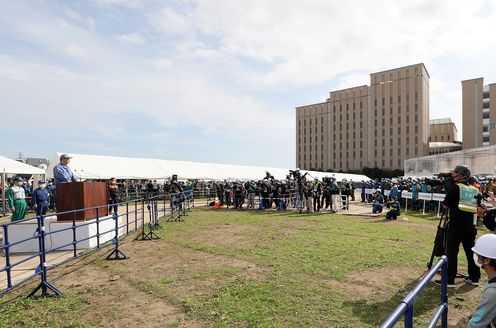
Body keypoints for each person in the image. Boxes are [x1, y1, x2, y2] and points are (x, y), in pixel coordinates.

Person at [439, 165, 481, 288]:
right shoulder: (475, 189)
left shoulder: (455, 187)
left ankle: (450, 280)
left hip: (456, 225)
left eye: (454, 173)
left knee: (451, 252)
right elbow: (478, 207)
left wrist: (449, 191)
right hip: (471, 226)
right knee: (470, 252)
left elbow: (445, 206)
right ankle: (474, 277)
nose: (452, 175)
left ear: (461, 175)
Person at [467, 234, 496, 327]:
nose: (475, 257)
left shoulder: (493, 291)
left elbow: (477, 324)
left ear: (487, 260)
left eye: (478, 255)